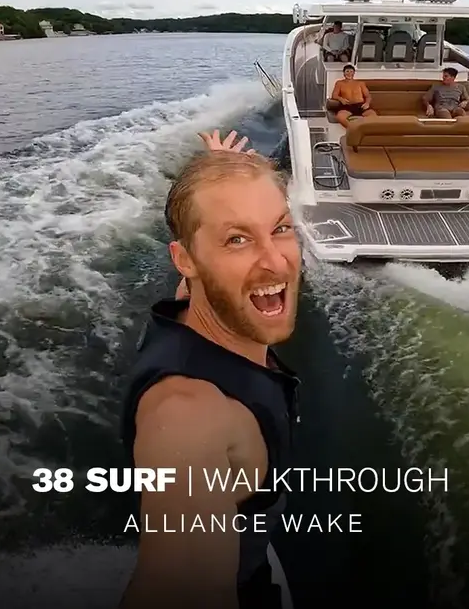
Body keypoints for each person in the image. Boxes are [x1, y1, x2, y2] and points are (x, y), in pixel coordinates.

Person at [120, 139, 302, 609]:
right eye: (237, 240)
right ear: (186, 259)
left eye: (280, 228)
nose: (276, 260)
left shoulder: (196, 297)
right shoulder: (189, 419)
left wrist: (226, 169)